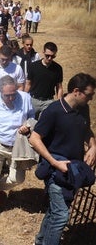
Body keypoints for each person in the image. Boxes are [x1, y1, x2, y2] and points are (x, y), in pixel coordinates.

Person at [29, 73, 96, 245]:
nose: (91, 99)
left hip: (73, 171)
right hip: (55, 171)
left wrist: (93, 145)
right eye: (89, 95)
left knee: (54, 211)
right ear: (76, 91)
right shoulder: (54, 110)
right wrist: (54, 162)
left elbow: (86, 130)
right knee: (61, 216)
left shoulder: (83, 109)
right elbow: (34, 138)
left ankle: (41, 241)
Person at [0, 76, 35, 226]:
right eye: (7, 95)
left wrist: (28, 125)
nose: (11, 98)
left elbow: (31, 116)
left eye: (13, 94)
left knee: (18, 178)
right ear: (0, 91)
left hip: (17, 146)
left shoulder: (25, 98)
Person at [25, 41, 63, 118]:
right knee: (29, 123)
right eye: (47, 55)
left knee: (44, 125)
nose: (49, 58)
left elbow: (59, 88)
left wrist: (59, 103)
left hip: (48, 102)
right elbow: (28, 84)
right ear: (43, 52)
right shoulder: (33, 66)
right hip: (33, 100)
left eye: (52, 56)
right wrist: (24, 98)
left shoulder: (58, 68)